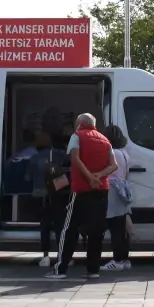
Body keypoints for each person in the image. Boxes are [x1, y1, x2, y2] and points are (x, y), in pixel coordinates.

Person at [46, 113, 116, 279]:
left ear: (80, 124)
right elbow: (114, 165)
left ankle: (60, 269)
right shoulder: (105, 140)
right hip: (101, 190)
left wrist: (89, 177)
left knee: (68, 229)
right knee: (95, 231)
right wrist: (98, 175)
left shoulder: (76, 136)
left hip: (81, 190)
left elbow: (75, 159)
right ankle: (93, 270)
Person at [26, 130, 69, 267]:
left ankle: (45, 257)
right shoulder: (59, 154)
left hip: (40, 196)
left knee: (44, 227)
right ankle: (62, 256)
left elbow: (27, 178)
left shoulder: (33, 158)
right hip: (57, 194)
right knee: (59, 226)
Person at [101, 125, 133, 272]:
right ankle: (124, 259)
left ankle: (117, 260)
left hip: (112, 190)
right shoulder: (125, 154)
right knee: (122, 228)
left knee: (114, 228)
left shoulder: (112, 153)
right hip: (123, 190)